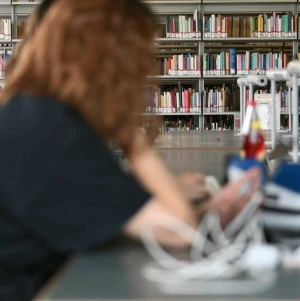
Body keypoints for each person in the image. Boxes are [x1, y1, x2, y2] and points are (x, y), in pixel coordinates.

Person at [0, 0, 260, 300]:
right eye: (141, 54)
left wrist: (200, 209)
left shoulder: (35, 113)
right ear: (116, 59)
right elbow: (180, 230)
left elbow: (107, 211)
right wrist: (131, 133)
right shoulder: (48, 131)